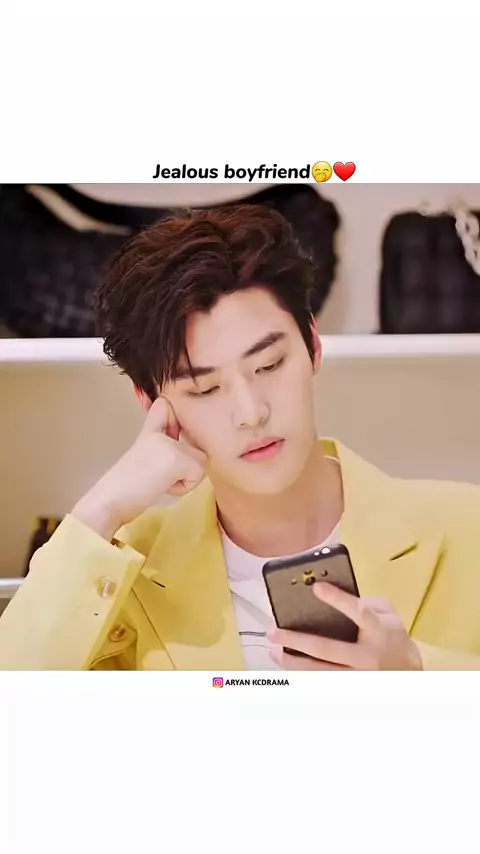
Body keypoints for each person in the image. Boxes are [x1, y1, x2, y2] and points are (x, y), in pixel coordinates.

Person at [0, 204, 479, 671]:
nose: (251, 413)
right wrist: (101, 507)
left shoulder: (465, 527)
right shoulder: (123, 571)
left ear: (312, 346)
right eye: (205, 389)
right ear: (151, 402)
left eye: (269, 365)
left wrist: (415, 681)